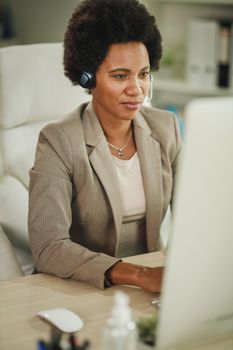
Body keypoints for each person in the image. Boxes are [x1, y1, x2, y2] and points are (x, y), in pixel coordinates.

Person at [28, 0, 182, 292]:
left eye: (144, 74)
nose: (136, 89)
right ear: (88, 77)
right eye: (120, 75)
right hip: (78, 285)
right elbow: (49, 246)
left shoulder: (166, 128)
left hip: (150, 287)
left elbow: (196, 218)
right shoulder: (58, 141)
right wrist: (139, 275)